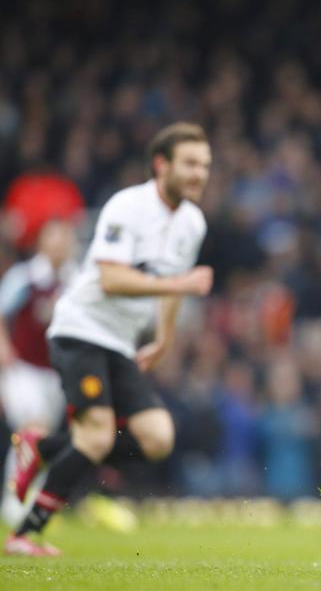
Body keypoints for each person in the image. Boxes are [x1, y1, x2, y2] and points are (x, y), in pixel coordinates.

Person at [4, 122, 214, 556]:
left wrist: (165, 340)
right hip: (81, 329)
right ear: (162, 165)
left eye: (205, 166)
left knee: (158, 437)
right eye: (191, 163)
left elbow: (173, 282)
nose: (200, 174)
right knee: (96, 437)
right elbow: (112, 277)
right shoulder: (128, 207)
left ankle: (41, 446)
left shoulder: (193, 223)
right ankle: (25, 534)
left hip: (119, 342)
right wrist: (179, 287)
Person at [0, 220, 77, 527]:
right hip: (24, 369)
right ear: (42, 242)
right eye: (54, 238)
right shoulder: (26, 277)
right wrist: (3, 346)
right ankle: (15, 499)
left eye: (64, 238)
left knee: (41, 438)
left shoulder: (75, 279)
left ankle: (30, 497)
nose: (59, 245)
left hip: (56, 373)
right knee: (32, 429)